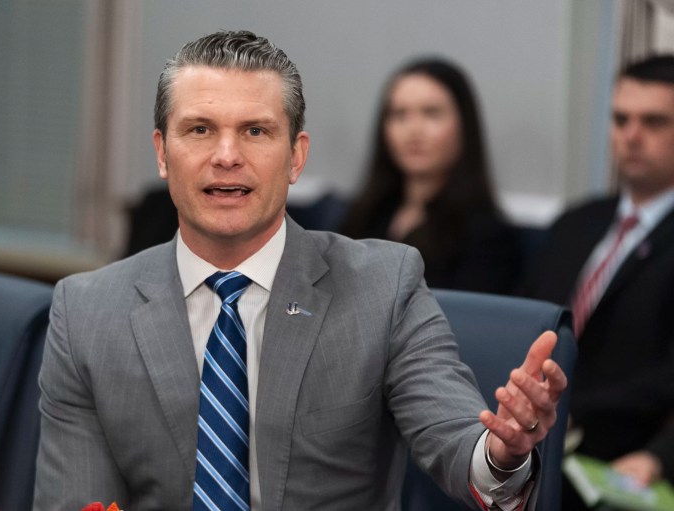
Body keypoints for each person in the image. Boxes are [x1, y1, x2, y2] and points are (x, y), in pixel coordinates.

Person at [34, 30, 566, 511]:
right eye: (199, 129)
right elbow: (78, 501)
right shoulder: (87, 311)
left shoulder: (384, 285)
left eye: (255, 132)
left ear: (295, 157)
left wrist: (500, 454)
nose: (226, 156)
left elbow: (455, 438)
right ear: (162, 153)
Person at [520, 54, 674, 509]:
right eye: (621, 119)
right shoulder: (576, 224)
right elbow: (524, 320)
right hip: (528, 436)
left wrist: (659, 457)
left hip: (619, 455)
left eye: (654, 121)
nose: (631, 135)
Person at [340, 58, 521, 294]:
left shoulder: (489, 240)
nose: (413, 130)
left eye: (431, 113)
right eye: (399, 114)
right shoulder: (363, 215)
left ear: (464, 125)